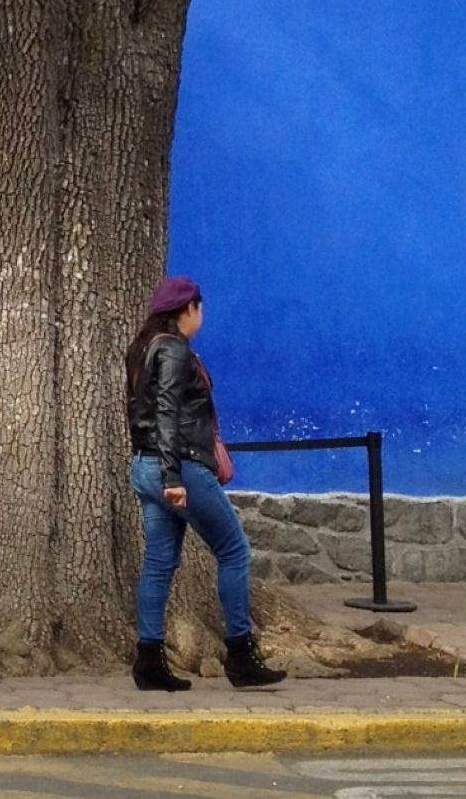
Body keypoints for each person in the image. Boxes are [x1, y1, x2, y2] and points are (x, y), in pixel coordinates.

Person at [127, 275, 286, 691]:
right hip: (179, 466)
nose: (202, 315)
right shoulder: (175, 350)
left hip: (144, 465)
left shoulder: (142, 349)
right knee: (234, 550)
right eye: (199, 308)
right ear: (188, 310)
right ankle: (241, 654)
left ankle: (149, 661)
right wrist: (172, 476)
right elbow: (166, 413)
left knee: (159, 563)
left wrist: (159, 470)